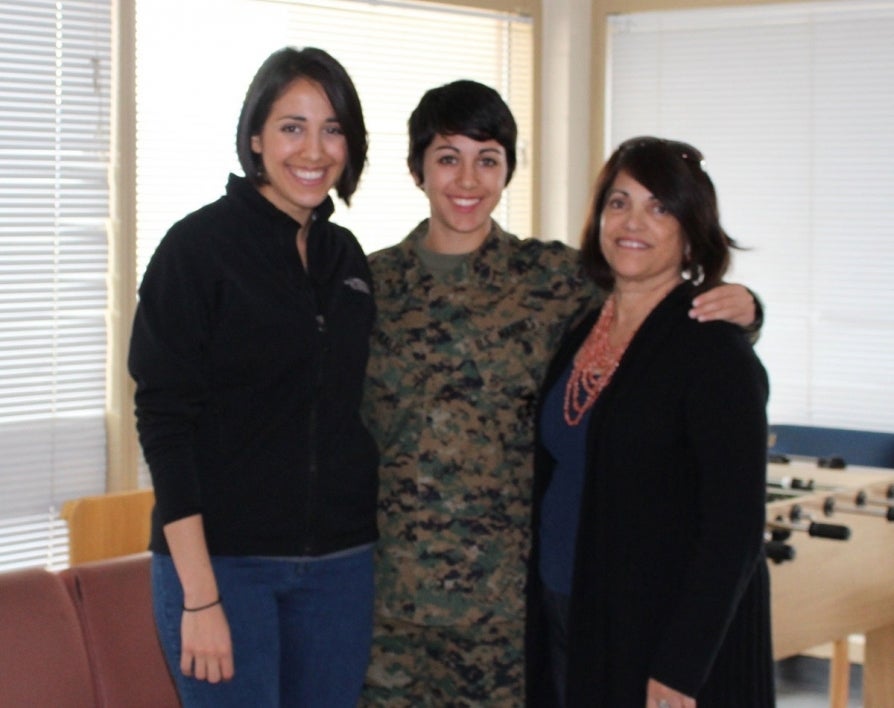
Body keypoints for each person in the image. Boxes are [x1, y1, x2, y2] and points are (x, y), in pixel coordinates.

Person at [361, 81, 761, 706]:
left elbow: (659, 306)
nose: (467, 179)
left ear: (507, 172)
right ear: (417, 169)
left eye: (488, 159)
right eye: (447, 158)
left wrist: (747, 310)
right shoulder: (367, 286)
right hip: (390, 608)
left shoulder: (553, 280)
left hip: (509, 618)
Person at [128, 47, 378, 708]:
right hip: (226, 568)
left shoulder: (344, 256)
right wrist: (199, 593)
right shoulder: (197, 249)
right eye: (292, 126)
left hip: (340, 567)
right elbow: (163, 420)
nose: (314, 149)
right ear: (256, 138)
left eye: (332, 129)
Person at [526, 136, 774, 707]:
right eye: (619, 202)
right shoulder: (581, 328)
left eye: (660, 207)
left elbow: (733, 530)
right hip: (570, 613)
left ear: (692, 232)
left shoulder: (714, 352)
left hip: (656, 642)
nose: (633, 221)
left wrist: (682, 667)